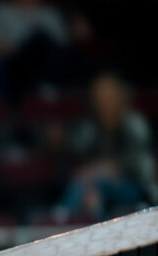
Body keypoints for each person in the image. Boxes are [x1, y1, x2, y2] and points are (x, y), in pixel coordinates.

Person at [60, 73, 158, 219]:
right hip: (93, 186)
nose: (104, 103)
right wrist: (93, 172)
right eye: (99, 98)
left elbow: (138, 165)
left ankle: (65, 216)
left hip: (137, 190)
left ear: (121, 98)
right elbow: (79, 162)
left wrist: (105, 170)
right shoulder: (90, 129)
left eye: (109, 97)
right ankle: (62, 220)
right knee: (85, 186)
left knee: (98, 186)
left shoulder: (136, 125)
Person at [0, 0, 70, 95]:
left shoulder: (51, 14)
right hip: (16, 68)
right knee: (36, 41)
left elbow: (62, 47)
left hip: (51, 68)